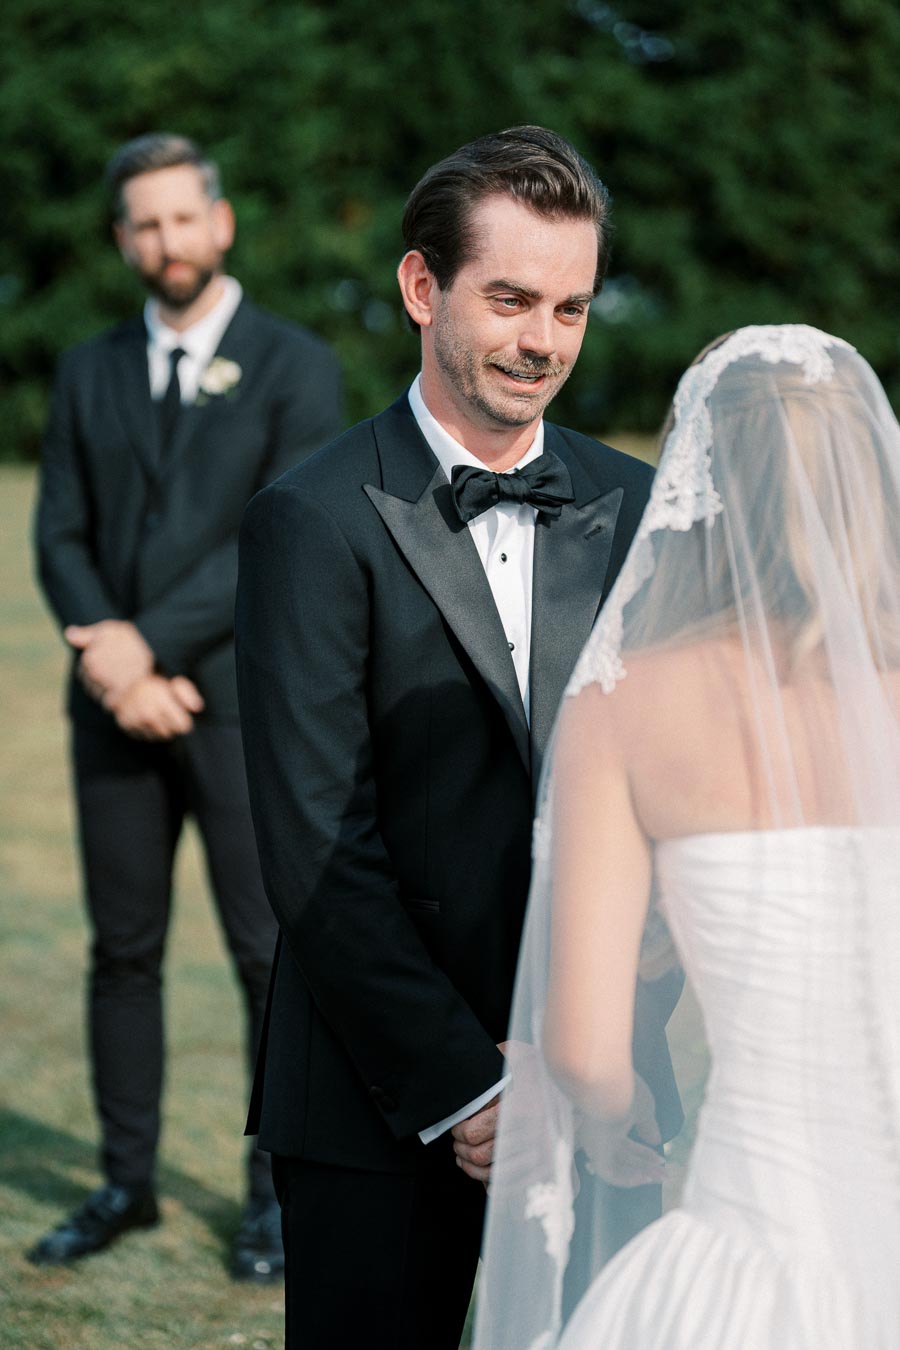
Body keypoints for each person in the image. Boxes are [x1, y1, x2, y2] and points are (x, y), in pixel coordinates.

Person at [234, 125, 683, 1350]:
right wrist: (471, 1088)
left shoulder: (645, 508)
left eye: (573, 309)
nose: (543, 341)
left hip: (606, 1095)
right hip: (382, 1101)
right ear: (422, 288)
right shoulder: (306, 519)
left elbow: (676, 807)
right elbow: (319, 845)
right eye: (512, 299)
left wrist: (594, 1052)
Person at [472, 323, 900, 1349]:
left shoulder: (626, 705)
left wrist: (613, 1118)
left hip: (755, 1230)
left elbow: (581, 1048)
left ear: (704, 484)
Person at [30, 133, 342, 1279]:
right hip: (110, 713)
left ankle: (269, 1202)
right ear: (125, 239)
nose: (166, 240)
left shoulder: (295, 366)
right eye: (143, 223)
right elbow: (57, 529)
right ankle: (125, 1184)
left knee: (268, 956)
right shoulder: (86, 368)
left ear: (221, 222)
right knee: (122, 950)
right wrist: (114, 668)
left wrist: (140, 651)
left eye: (182, 217)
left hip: (236, 706)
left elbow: (276, 534)